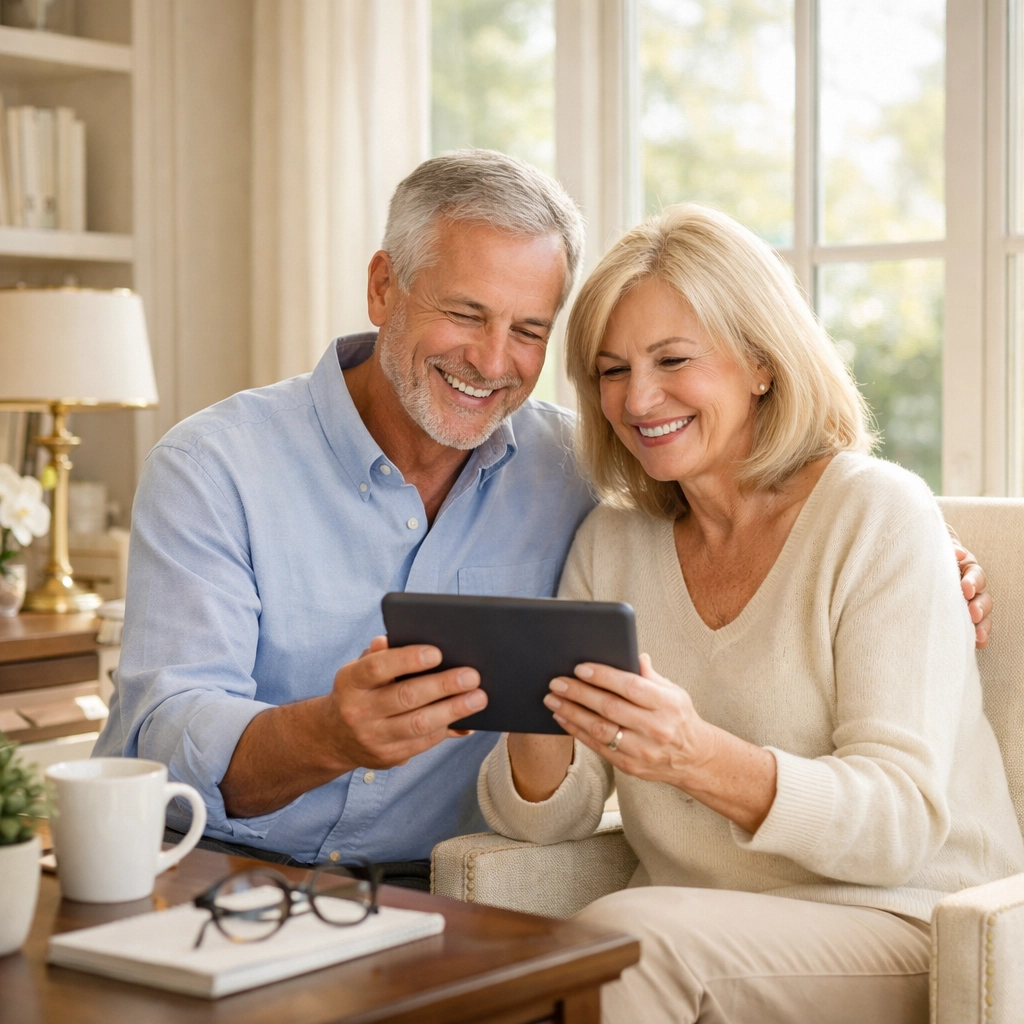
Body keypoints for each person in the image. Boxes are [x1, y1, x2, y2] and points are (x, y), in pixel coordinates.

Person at [479, 204, 1024, 1022]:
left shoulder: (877, 514)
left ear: (761, 362)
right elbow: (551, 817)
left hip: (911, 920)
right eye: (611, 370)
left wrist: (696, 756)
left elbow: (899, 823)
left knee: (626, 945)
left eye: (673, 359)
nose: (639, 398)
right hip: (699, 924)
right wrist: (530, 699)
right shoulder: (611, 543)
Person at [94, 150, 595, 884]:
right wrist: (326, 734)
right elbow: (163, 736)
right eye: (465, 314)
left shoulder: (575, 474)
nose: (493, 363)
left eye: (528, 330)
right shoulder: (212, 466)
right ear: (383, 287)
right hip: (204, 868)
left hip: (437, 890)